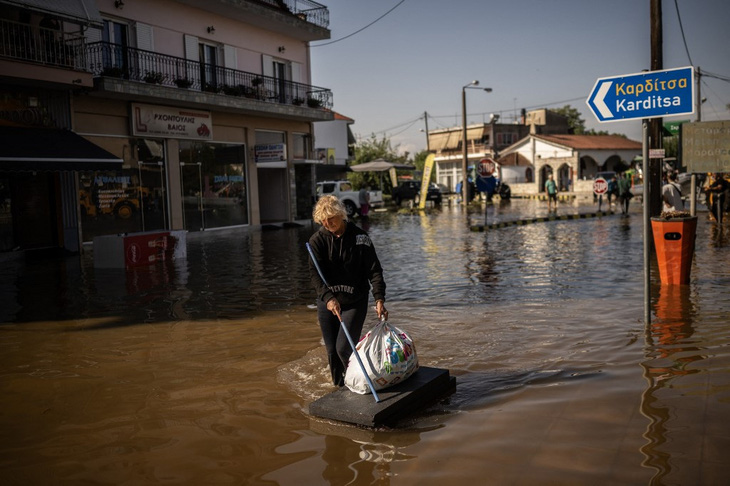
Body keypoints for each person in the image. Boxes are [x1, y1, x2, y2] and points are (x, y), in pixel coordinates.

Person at [308, 195, 388, 387]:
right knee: (331, 352)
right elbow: (315, 276)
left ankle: (358, 382)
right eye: (323, 221)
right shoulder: (316, 241)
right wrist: (328, 298)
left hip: (354, 300)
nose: (328, 224)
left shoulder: (361, 238)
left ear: (341, 215)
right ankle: (338, 388)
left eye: (331, 219)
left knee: (343, 349)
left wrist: (379, 298)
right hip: (328, 301)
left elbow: (374, 270)